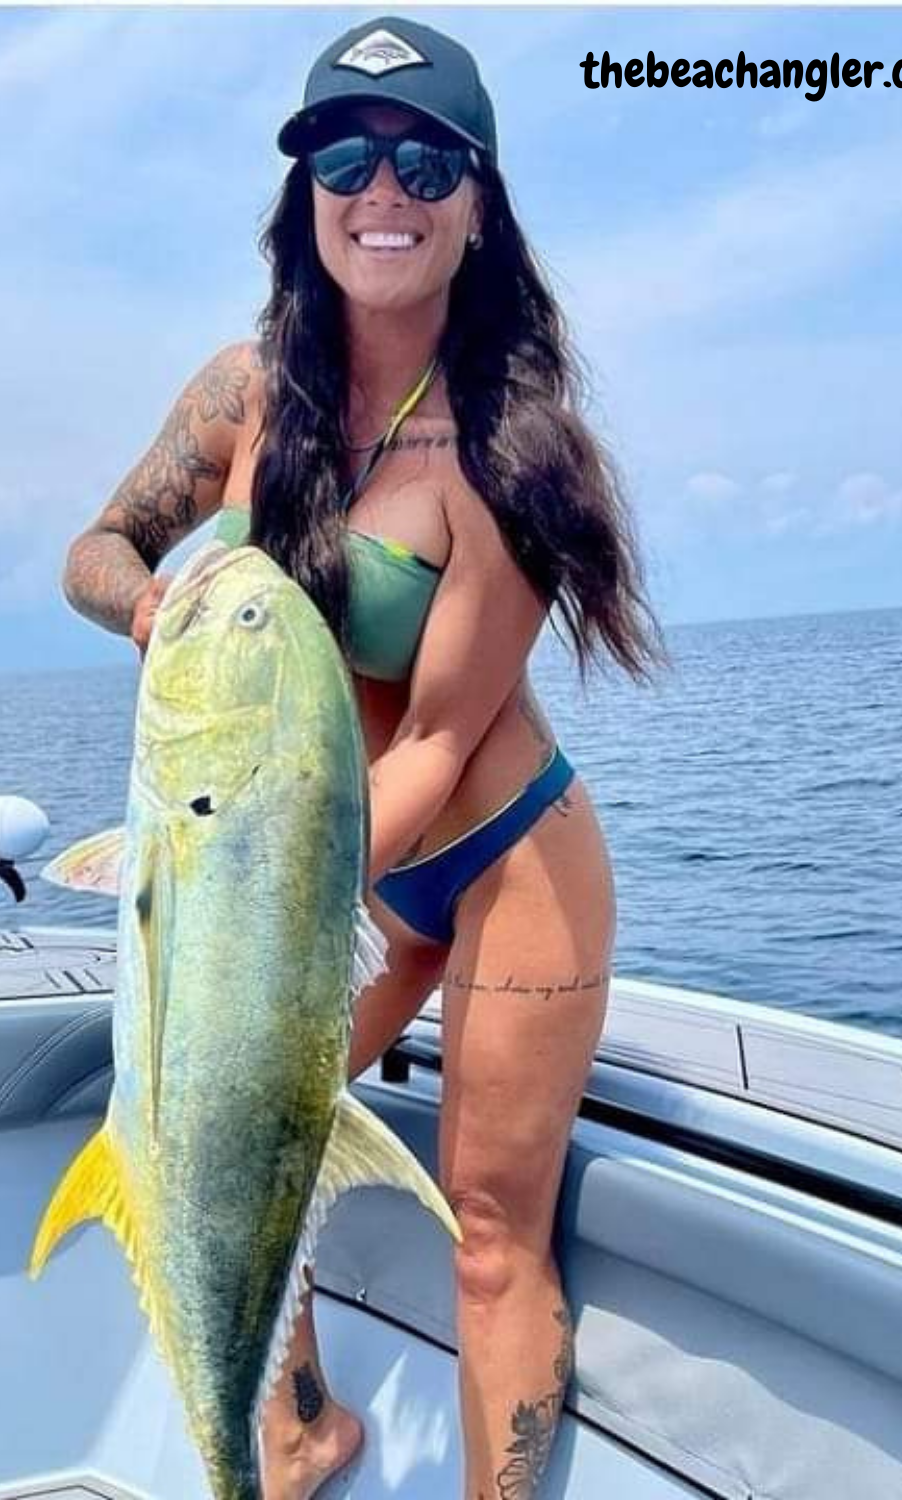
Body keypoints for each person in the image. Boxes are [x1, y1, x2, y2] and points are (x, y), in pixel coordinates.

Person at [62, 16, 667, 1499]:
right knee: (225, 1140)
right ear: (305, 191)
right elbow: (98, 546)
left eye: (423, 161)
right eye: (346, 154)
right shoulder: (247, 392)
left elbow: (451, 732)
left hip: (500, 844)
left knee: (487, 1238)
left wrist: (259, 892)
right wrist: (152, 608)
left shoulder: (515, 451)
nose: (380, 187)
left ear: (476, 205)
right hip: (306, 843)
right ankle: (299, 1433)